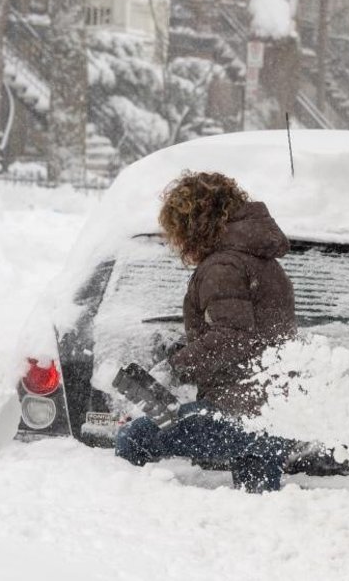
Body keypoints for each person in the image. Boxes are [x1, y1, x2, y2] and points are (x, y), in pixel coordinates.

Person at [114, 171, 299, 493]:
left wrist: (176, 368)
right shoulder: (260, 261)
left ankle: (125, 517)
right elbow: (249, 332)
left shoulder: (223, 266)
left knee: (136, 436)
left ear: (193, 223)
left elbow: (234, 335)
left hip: (241, 412)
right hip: (275, 412)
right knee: (257, 503)